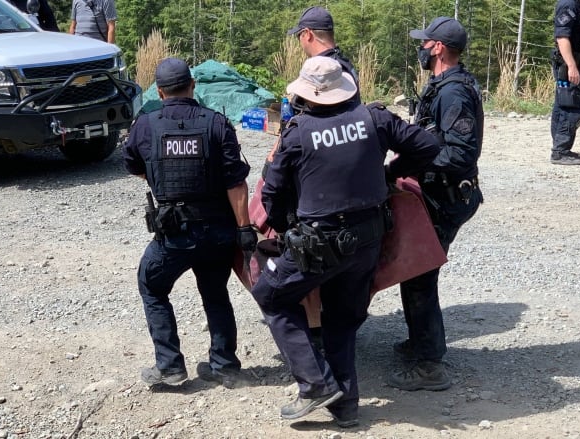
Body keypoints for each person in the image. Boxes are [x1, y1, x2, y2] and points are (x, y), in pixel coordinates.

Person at [251, 56, 440, 427]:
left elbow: (272, 194)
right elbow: (427, 147)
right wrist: (389, 172)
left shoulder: (297, 131)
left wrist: (286, 227)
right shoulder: (375, 119)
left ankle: (315, 383)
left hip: (318, 242)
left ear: (308, 95)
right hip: (368, 239)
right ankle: (346, 408)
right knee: (342, 320)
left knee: (270, 295)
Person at [123, 58, 256, 388]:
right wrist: (244, 228)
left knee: (152, 285)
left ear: (160, 91)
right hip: (218, 231)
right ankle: (224, 365)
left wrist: (160, 176)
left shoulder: (146, 125)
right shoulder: (217, 123)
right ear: (192, 85)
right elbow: (235, 182)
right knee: (215, 292)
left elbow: (134, 166)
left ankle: (170, 367)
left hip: (175, 234)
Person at [388, 17, 484, 391]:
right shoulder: (443, 85)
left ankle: (430, 364)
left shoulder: (453, 92)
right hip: (438, 191)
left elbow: (459, 154)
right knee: (414, 272)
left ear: (439, 47)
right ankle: (420, 343)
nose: (422, 48)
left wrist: (411, 160)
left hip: (445, 196)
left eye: (425, 43)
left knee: (419, 275)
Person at [287, 6, 360, 102]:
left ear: (308, 34)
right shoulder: (343, 62)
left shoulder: (325, 71)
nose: (299, 41)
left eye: (299, 35)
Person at [550, 0, 580, 164]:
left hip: (574, 63)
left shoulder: (577, 5)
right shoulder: (568, 4)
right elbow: (562, 37)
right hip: (567, 65)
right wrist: (572, 66)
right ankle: (560, 152)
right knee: (570, 106)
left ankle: (561, 148)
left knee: (563, 106)